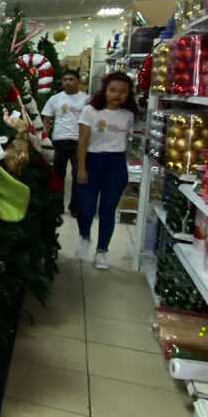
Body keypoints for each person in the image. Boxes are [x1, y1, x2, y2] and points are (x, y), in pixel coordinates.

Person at [75, 71, 137, 270]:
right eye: (113, 90)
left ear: (128, 94)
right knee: (86, 208)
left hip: (116, 165)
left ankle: (102, 251)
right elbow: (83, 141)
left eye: (123, 92)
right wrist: (81, 168)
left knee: (107, 211)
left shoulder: (128, 115)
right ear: (104, 90)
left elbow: (129, 143)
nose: (117, 95)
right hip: (92, 161)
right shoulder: (90, 111)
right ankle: (84, 236)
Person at [41, 69, 88, 217]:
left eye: (71, 79)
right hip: (59, 141)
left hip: (78, 143)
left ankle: (75, 207)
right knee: (57, 175)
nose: (68, 82)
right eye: (65, 79)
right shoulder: (55, 99)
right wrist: (43, 139)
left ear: (78, 81)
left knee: (77, 175)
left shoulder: (87, 100)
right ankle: (57, 206)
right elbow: (47, 120)